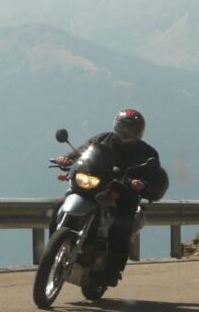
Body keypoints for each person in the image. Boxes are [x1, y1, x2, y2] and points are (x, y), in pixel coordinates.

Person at [53, 108, 169, 287]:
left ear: (139, 132)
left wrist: (142, 183)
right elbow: (83, 152)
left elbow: (152, 171)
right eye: (123, 127)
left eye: (131, 129)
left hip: (122, 192)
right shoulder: (102, 139)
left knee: (122, 223)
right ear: (116, 125)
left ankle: (113, 269)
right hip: (97, 185)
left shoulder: (146, 152)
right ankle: (54, 245)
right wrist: (66, 158)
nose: (126, 132)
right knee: (60, 203)